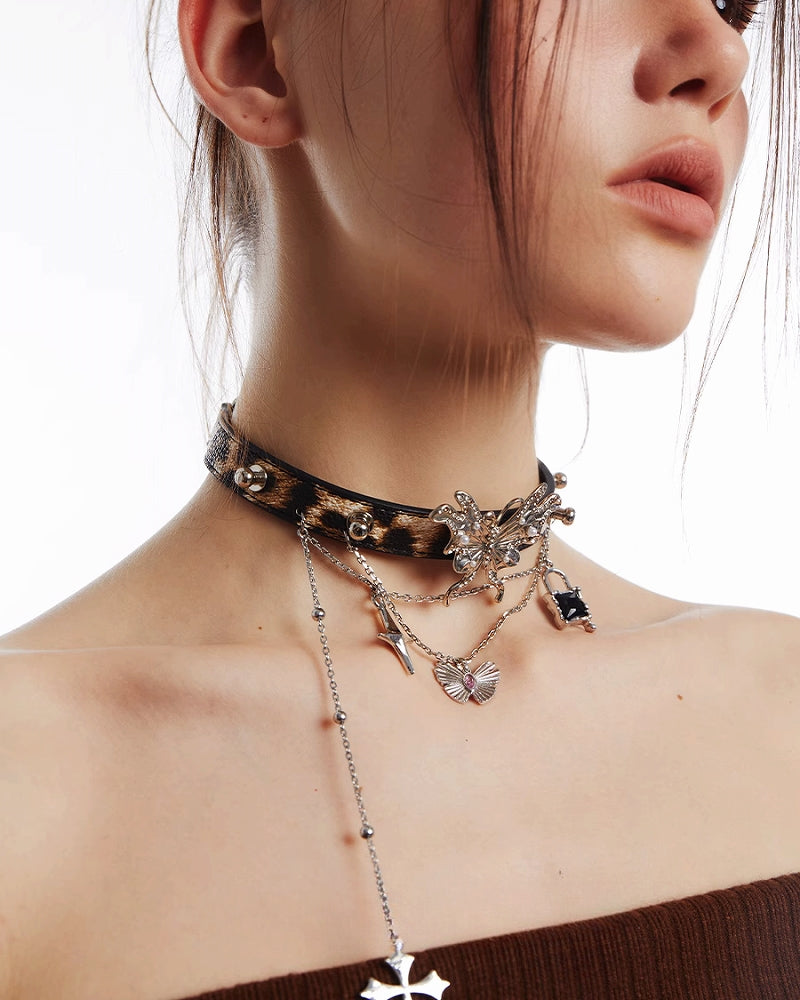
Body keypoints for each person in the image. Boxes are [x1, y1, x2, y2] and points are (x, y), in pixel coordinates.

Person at [1, 1, 799, 998]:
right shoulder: (26, 803)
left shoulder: (784, 718)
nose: (720, 52)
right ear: (253, 54)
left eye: (733, 1)